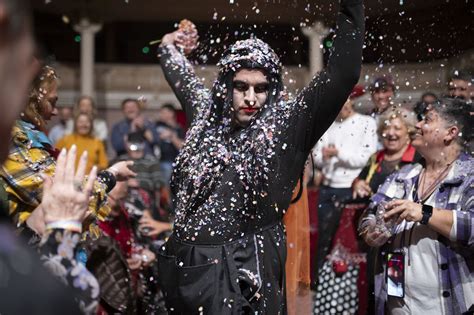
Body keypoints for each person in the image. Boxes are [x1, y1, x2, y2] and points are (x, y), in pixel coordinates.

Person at [156, 0, 364, 313]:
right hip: (184, 268)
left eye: (261, 88)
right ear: (226, 86)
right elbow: (181, 75)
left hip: (241, 272)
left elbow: (343, 73)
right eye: (241, 87)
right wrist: (167, 45)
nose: (251, 99)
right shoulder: (205, 114)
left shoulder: (287, 126)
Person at [359, 98, 474, 314]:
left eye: (428, 120)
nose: (418, 125)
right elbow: (367, 220)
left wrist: (424, 212)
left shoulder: (468, 176)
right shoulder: (404, 176)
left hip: (449, 306)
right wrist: (379, 227)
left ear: (450, 133)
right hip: (398, 303)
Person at [313, 86, 377, 281]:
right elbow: (316, 157)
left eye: (346, 99)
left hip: (352, 189)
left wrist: (338, 153)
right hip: (328, 188)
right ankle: (321, 279)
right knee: (325, 236)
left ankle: (355, 280)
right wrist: (323, 157)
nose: (343, 104)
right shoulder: (328, 124)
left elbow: (366, 157)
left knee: (352, 238)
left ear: (351, 100)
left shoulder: (366, 122)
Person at [352, 107, 419, 201]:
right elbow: (360, 179)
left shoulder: (417, 158)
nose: (391, 133)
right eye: (387, 128)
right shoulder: (375, 157)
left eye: (397, 128)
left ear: (409, 132)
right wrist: (358, 184)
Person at [155, 104, 185, 183]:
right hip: (159, 160)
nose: (161, 115)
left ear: (171, 113)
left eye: (164, 112)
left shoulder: (179, 129)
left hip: (172, 161)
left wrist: (171, 136)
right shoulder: (158, 125)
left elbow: (182, 147)